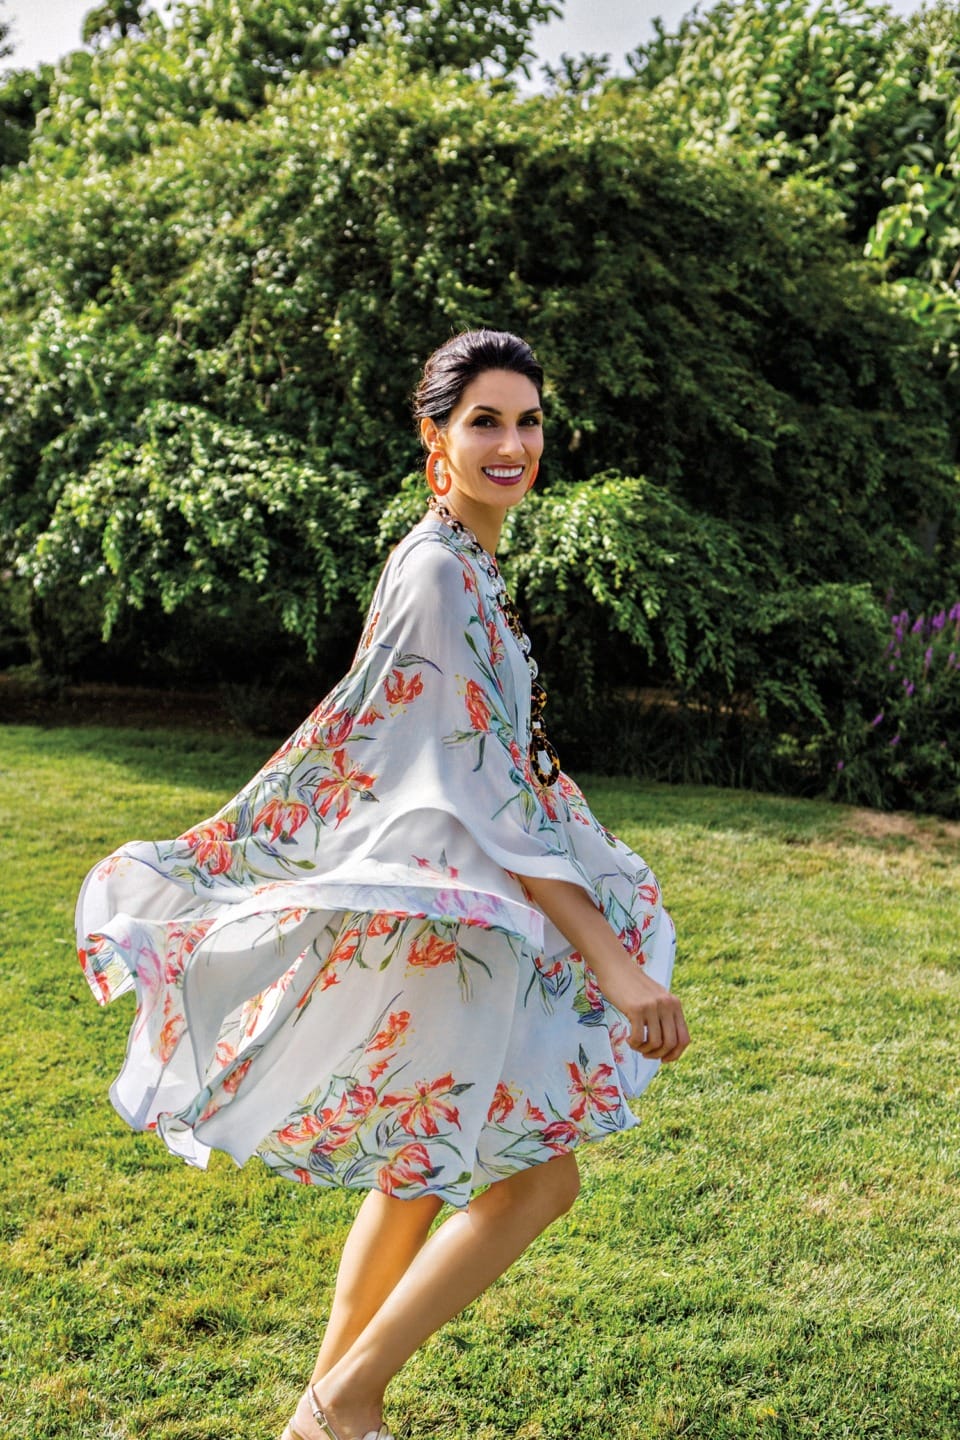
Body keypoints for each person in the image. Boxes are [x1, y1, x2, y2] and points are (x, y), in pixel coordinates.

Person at [75, 328, 690, 1440]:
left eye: (529, 420)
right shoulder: (440, 573)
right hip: (455, 922)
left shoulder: (465, 564)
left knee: (418, 1169)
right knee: (536, 1187)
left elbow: (492, 764)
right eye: (485, 421)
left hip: (459, 920)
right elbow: (478, 791)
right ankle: (344, 1403)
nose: (513, 443)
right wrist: (611, 960)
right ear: (436, 440)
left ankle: (323, 1421)